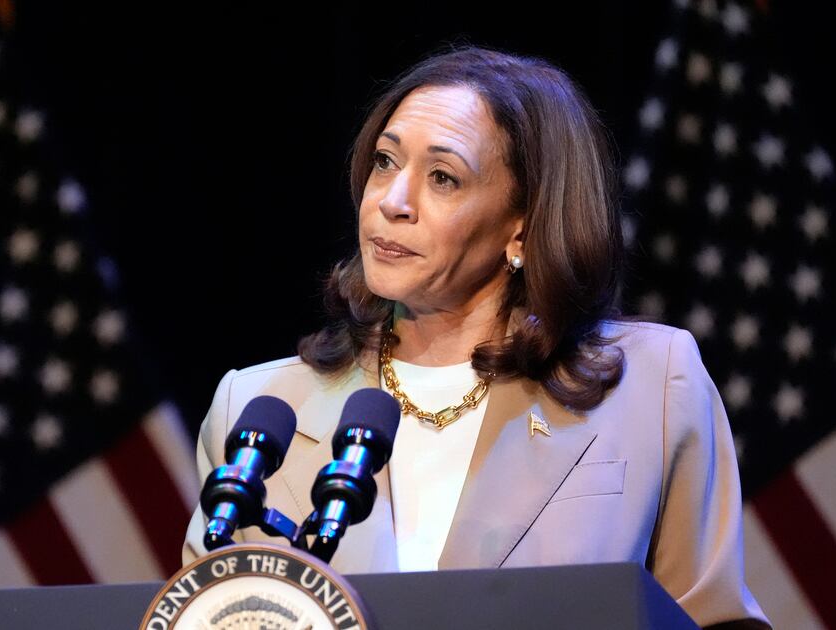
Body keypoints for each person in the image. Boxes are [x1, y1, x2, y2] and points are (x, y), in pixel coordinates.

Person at [182, 46, 769, 628]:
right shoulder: (256, 408)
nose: (392, 201)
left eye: (443, 177)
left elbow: (713, 621)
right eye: (385, 162)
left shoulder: (651, 387)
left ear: (523, 226)